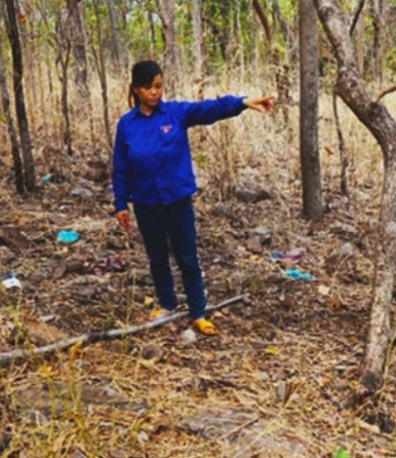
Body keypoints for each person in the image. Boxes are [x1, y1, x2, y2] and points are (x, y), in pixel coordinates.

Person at [112, 60, 274, 335]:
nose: (155, 92)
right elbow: (121, 166)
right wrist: (120, 203)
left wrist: (244, 102)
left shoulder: (176, 114)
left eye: (159, 86)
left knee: (188, 258)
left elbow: (210, 109)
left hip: (177, 200)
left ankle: (198, 312)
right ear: (136, 89)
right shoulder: (127, 125)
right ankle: (167, 304)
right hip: (145, 203)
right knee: (157, 257)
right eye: (149, 87)